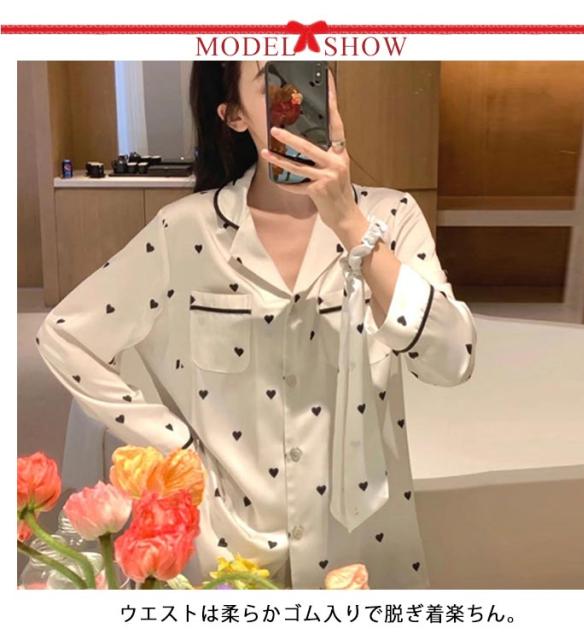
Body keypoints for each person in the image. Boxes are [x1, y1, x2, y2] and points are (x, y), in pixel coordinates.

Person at [35, 60, 477, 589]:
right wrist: (175, 447)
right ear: (235, 116)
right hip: (227, 538)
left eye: (315, 75)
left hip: (360, 543)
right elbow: (66, 335)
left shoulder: (393, 218)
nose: (299, 99)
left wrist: (351, 226)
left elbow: (452, 360)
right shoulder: (189, 229)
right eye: (274, 81)